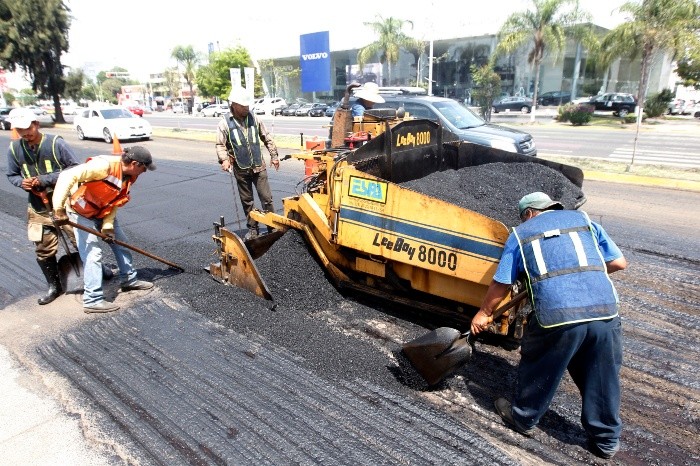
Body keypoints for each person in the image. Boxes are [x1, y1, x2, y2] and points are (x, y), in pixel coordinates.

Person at [471, 192, 628, 460]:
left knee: (540, 362)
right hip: (605, 312)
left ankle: (523, 418)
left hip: (558, 314)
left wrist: (484, 313)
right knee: (601, 374)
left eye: (523, 217)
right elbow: (618, 262)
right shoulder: (585, 221)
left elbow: (503, 282)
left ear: (529, 213)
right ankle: (606, 441)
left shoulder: (521, 234)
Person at [51, 146, 156, 313]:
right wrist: (58, 209)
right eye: (144, 168)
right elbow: (67, 176)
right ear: (135, 164)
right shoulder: (103, 166)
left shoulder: (129, 175)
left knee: (120, 243)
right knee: (93, 253)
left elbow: (116, 201)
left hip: (102, 211)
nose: (144, 172)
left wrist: (107, 226)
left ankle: (129, 279)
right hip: (80, 212)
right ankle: (92, 300)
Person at [6, 107, 81, 305]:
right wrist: (21, 183)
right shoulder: (14, 149)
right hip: (38, 207)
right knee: (43, 248)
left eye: (27, 128)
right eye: (20, 130)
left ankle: (97, 271)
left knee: (80, 241)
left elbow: (75, 168)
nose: (25, 133)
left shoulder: (56, 143)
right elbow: (12, 175)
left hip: (64, 205)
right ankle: (54, 286)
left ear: (36, 124)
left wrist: (45, 179)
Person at [216, 87, 279, 240]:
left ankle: (272, 226)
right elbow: (220, 144)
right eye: (243, 106)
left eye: (247, 105)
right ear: (234, 105)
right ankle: (253, 229)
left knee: (267, 199)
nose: (247, 108)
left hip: (259, 166)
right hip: (241, 168)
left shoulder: (255, 119)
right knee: (247, 201)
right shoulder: (225, 123)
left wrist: (274, 156)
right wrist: (224, 159)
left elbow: (266, 137)